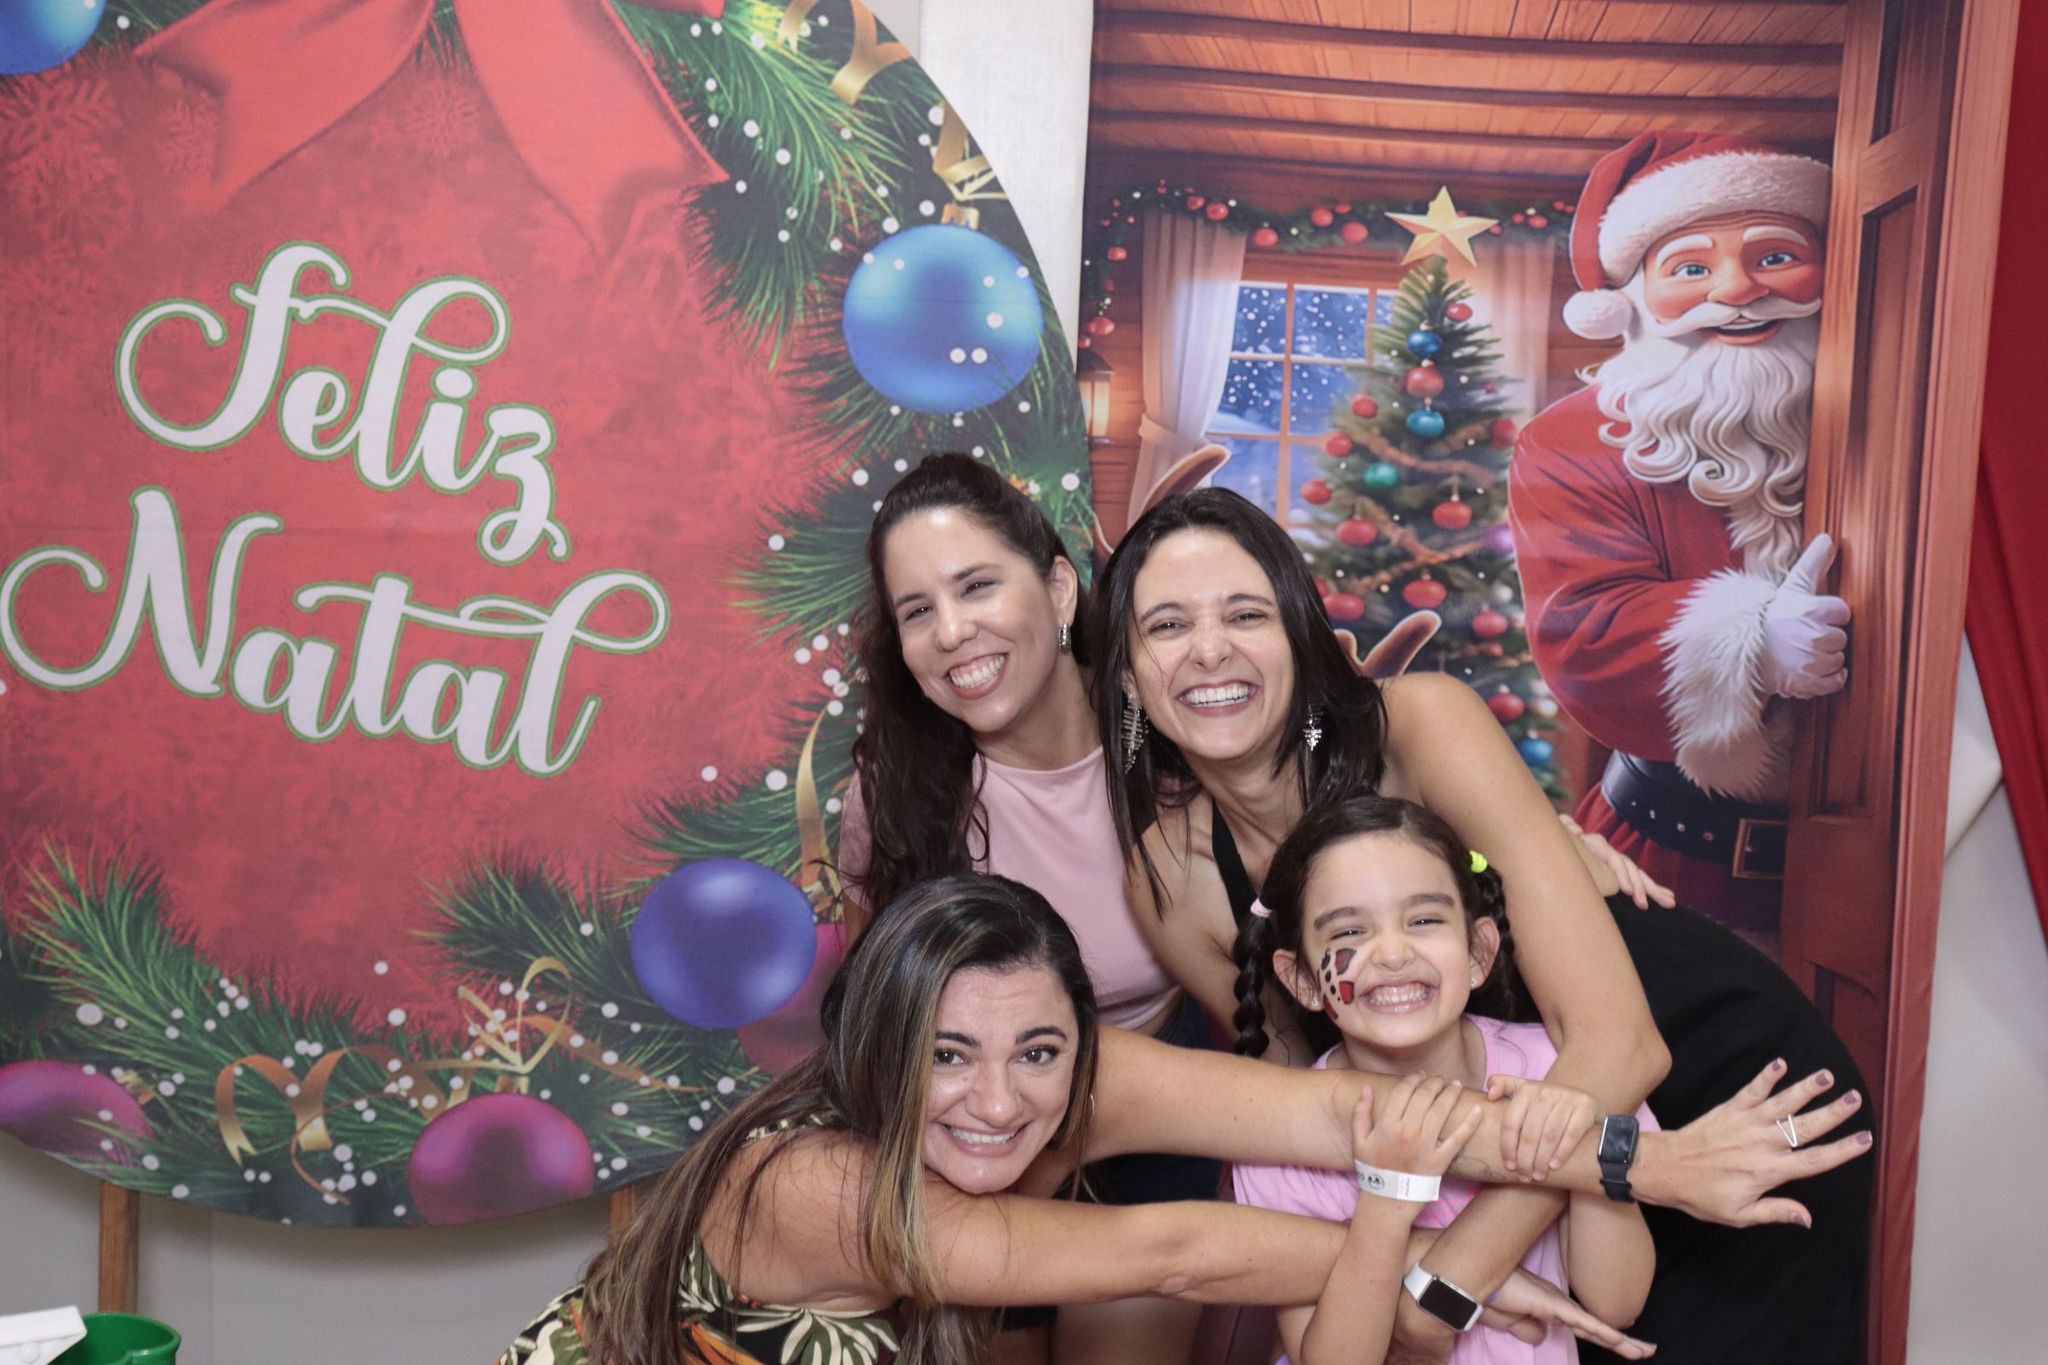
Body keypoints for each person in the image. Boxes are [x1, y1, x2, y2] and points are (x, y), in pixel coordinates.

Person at [1093, 487, 1874, 1364]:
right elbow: (1304, 1115)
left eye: (1245, 613)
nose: (1209, 649)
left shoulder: (1419, 722)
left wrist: (1448, 1284)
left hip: (1709, 1079)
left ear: (1298, 633)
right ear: (1127, 674)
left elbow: (1621, 1047)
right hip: (1533, 1169)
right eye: (1167, 626)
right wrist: (1429, 1271)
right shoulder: (1171, 880)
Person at [497, 873, 1864, 1365]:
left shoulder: (1079, 1078)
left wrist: (1636, 1158)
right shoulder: (818, 1184)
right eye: (946, 1056)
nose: (999, 1099)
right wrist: (1440, 1265)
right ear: (876, 1045)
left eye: (1038, 1050)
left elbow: (1357, 1115)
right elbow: (1179, 1252)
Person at [839, 451, 1210, 1365]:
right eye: (916, 611)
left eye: (977, 586)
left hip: (1160, 1125)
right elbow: (879, 1029)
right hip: (981, 1149)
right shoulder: (896, 796)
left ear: (1057, 587)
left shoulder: (1175, 737)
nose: (951, 631)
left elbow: (1346, 783)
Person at [1510, 130, 1851, 943]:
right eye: (1691, 269)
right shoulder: (1569, 441)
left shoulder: (1888, 416)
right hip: (1665, 861)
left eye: (1775, 257)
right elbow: (1581, 632)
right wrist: (1751, 641)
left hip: (1866, 871)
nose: (1736, 290)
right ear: (1632, 298)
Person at [1235, 796, 1658, 1364]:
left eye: (1424, 920)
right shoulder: (1277, 1145)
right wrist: (1386, 1198)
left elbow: (1617, 1301)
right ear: (1304, 981)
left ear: (1478, 951)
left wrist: (1589, 1140)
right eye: (1350, 930)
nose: (1392, 953)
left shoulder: (1555, 1067)